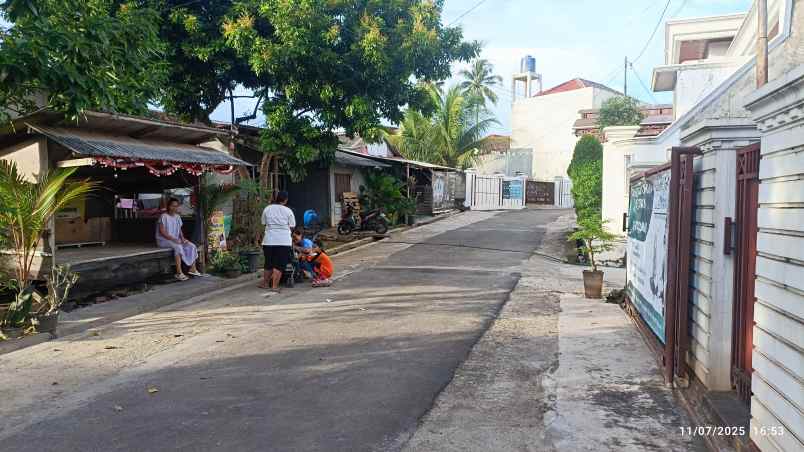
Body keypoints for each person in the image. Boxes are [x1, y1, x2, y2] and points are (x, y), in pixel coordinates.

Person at [156, 198, 202, 281]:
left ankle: (193, 268)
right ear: (168, 206)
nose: (175, 208)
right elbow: (162, 232)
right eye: (173, 206)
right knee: (178, 247)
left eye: (176, 206)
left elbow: (179, 230)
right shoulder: (163, 216)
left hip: (175, 239)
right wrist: (174, 239)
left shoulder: (177, 217)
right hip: (163, 240)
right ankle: (179, 273)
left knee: (191, 245)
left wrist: (183, 239)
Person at [260, 191, 295, 291]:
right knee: (279, 265)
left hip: (269, 241)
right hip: (283, 241)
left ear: (276, 198)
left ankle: (265, 284)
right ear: (286, 200)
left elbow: (263, 223)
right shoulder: (288, 211)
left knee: (268, 264)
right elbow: (292, 226)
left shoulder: (267, 209)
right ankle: (274, 286)